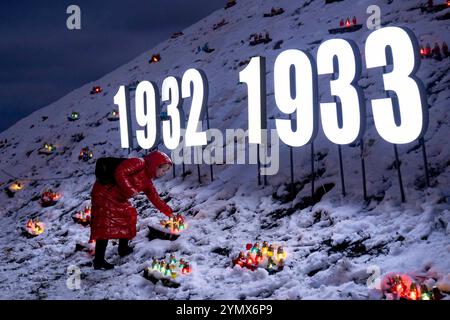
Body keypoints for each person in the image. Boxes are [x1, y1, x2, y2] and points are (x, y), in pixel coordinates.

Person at [90, 150, 175, 270]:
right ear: (156, 164)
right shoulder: (139, 163)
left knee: (128, 216)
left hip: (118, 197)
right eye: (163, 169)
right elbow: (120, 172)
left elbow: (155, 198)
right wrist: (130, 190)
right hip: (105, 192)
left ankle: (123, 249)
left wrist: (169, 212)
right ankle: (99, 260)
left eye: (165, 171)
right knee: (105, 224)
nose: (163, 173)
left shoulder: (147, 181)